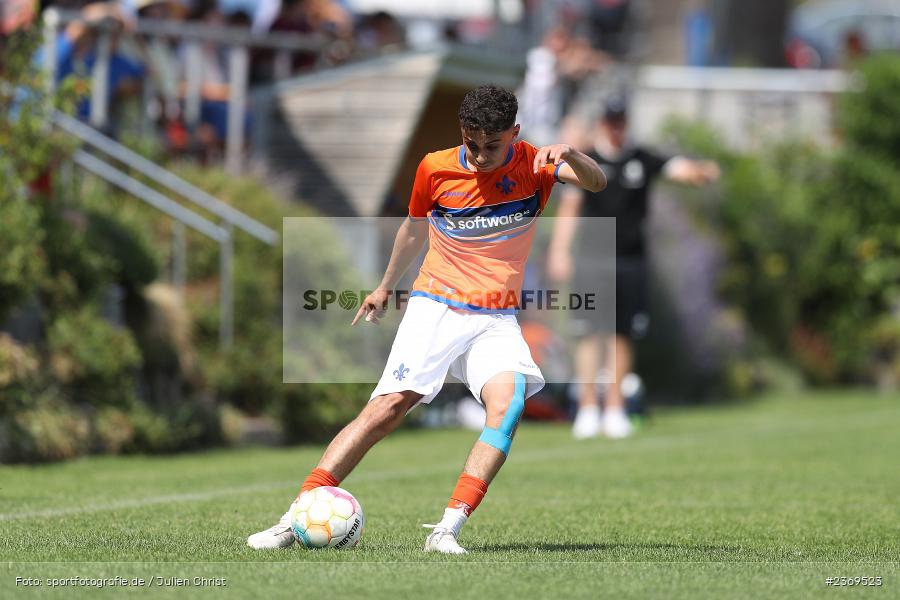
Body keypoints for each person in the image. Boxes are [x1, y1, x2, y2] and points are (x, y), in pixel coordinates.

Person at [248, 85, 606, 554]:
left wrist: (573, 154)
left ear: (514, 134)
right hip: (435, 305)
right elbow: (414, 228)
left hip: (496, 318)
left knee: (509, 406)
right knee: (386, 409)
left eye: (491, 146)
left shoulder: (538, 164)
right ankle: (292, 518)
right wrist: (384, 287)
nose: (479, 155)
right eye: (471, 143)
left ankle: (445, 531)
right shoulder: (435, 167)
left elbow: (597, 182)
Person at [548, 96, 719, 440]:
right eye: (610, 121)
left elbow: (679, 168)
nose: (615, 127)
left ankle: (614, 407)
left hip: (630, 258)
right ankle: (587, 408)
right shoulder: (587, 159)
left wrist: (701, 172)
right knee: (588, 332)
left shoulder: (642, 158)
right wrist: (560, 251)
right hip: (591, 258)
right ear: (602, 123)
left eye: (620, 120)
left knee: (622, 334)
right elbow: (570, 206)